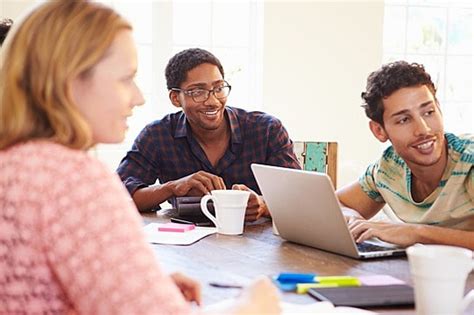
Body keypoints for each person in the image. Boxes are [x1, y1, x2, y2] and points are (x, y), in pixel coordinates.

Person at [0, 1, 280, 313]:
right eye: (125, 78)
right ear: (71, 81)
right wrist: (251, 307)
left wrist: (136, 288)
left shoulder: (12, 164)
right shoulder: (74, 178)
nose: (138, 97)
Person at [117, 48, 301, 221]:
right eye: (198, 92)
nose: (212, 101)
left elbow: (298, 199)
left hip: (260, 247)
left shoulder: (266, 130)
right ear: (175, 98)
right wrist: (173, 187)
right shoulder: (157, 136)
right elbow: (119, 197)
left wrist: (263, 205)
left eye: (218, 88)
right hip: (185, 247)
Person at [337, 61, 474, 249]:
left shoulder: (470, 162)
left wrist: (416, 233)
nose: (423, 129)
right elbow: (336, 204)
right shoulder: (390, 167)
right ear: (379, 130)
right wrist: (355, 221)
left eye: (428, 112)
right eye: (404, 120)